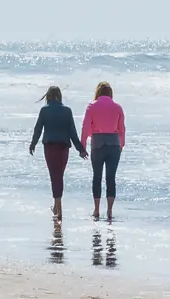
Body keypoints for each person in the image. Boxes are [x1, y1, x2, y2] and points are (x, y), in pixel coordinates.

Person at [27, 86, 86, 222]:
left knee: (54, 176)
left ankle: (58, 208)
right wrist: (80, 149)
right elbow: (72, 132)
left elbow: (38, 129)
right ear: (59, 96)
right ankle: (56, 206)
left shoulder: (44, 110)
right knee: (59, 175)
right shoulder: (67, 111)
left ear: (48, 96)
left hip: (50, 147)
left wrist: (33, 144)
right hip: (63, 148)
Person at [82, 82, 126, 222]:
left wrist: (83, 146)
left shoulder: (91, 106)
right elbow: (122, 129)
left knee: (97, 177)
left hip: (97, 143)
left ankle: (96, 209)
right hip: (114, 143)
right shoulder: (117, 107)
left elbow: (85, 127)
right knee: (111, 178)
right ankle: (109, 210)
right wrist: (121, 144)